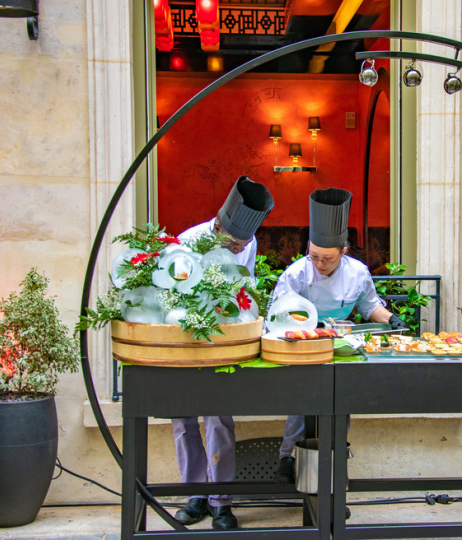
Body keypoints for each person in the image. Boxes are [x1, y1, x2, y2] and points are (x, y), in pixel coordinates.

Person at [270, 187, 406, 483]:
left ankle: (335, 466)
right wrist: (309, 328)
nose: (319, 264)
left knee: (339, 401)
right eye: (314, 256)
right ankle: (288, 457)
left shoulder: (357, 272)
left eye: (328, 259)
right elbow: (278, 315)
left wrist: (391, 318)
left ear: (343, 252)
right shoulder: (296, 274)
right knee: (302, 401)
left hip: (340, 342)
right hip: (303, 341)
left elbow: (370, 306)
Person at [171, 176, 275, 530]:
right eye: (233, 243)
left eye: (243, 244)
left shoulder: (249, 243)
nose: (239, 249)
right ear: (217, 227)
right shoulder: (186, 242)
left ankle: (222, 500)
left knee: (219, 419)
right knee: (184, 420)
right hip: (185, 341)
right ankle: (195, 495)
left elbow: (244, 286)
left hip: (222, 341)